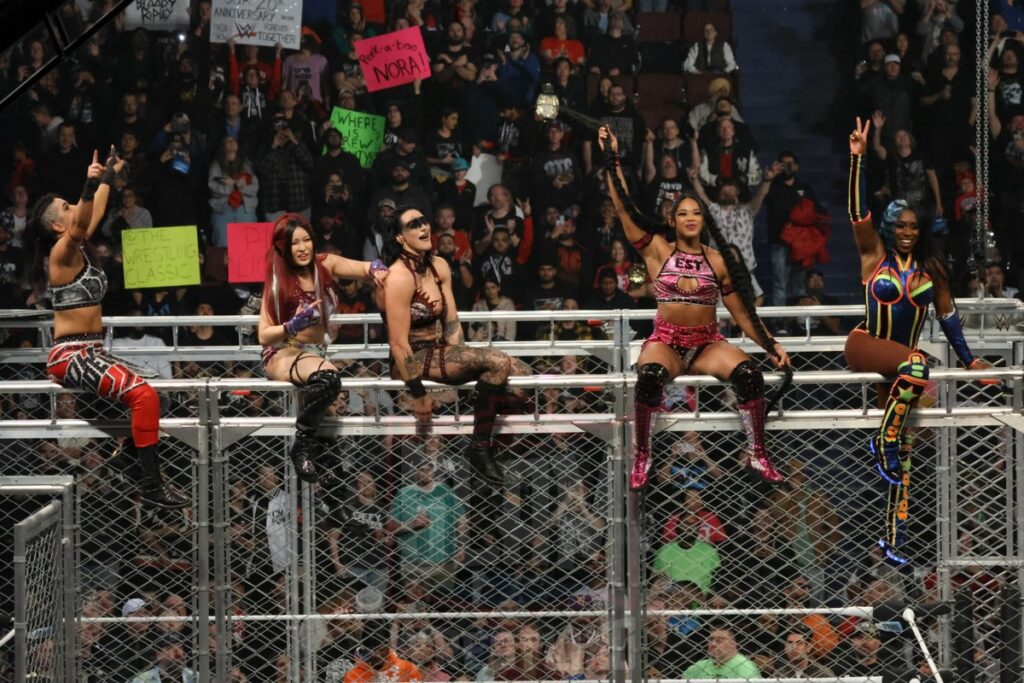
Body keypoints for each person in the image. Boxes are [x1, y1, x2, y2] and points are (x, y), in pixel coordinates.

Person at [598, 126, 790, 491]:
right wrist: (612, 158)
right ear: (672, 219)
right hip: (667, 341)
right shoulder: (656, 249)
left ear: (704, 220)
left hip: (707, 344)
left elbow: (741, 312)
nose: (689, 217)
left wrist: (769, 344)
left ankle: (757, 453)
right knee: (650, 377)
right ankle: (644, 455)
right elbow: (623, 205)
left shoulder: (718, 261)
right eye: (682, 212)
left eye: (696, 213)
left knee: (751, 376)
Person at [846, 117, 992, 565]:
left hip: (899, 369)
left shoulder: (932, 269)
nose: (907, 231)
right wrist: (858, 160)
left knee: (904, 455)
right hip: (869, 345)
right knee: (916, 364)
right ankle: (883, 440)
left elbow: (948, 318)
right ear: (890, 228)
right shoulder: (874, 256)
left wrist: (968, 362)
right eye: (900, 225)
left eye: (913, 225)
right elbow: (857, 213)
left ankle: (893, 539)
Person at [26, 149, 188, 509]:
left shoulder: (77, 243)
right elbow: (84, 218)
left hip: (91, 351)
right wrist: (89, 183)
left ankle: (131, 464)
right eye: (66, 207)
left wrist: (108, 176)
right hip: (71, 355)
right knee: (143, 397)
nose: (75, 208)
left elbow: (93, 210)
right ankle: (150, 485)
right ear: (57, 226)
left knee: (152, 399)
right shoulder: (61, 253)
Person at [375, 207, 531, 486]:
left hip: (440, 352)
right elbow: (398, 344)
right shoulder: (398, 277)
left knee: (524, 380)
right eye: (414, 224)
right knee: (496, 362)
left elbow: (452, 322)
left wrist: (464, 362)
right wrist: (419, 394)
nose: (424, 227)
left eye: (424, 220)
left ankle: (480, 423)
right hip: (412, 358)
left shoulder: (439, 265)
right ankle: (480, 448)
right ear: (400, 238)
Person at [258, 214, 388, 483]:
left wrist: (377, 268)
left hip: (316, 353)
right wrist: (291, 325)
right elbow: (264, 335)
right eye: (295, 242)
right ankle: (302, 445)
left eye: (307, 240)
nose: (303, 247)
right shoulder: (278, 280)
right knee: (329, 378)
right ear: (284, 246)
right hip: (285, 351)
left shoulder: (324, 265)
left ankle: (335, 499)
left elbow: (365, 267)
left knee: (329, 443)